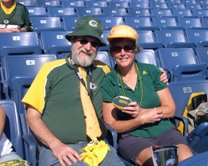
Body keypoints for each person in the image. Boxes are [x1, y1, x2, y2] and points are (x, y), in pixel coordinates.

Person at [22, 16, 126, 166]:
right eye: (83, 40)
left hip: (98, 147)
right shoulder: (51, 70)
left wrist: (156, 75)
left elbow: (129, 80)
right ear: (72, 40)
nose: (88, 47)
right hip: (59, 149)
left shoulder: (103, 70)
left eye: (94, 43)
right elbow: (32, 116)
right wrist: (56, 145)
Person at [102, 25, 193, 166]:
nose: (122, 53)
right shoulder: (108, 81)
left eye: (128, 47)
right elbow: (111, 124)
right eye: (116, 48)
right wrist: (140, 120)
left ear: (135, 50)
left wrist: (144, 112)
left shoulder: (152, 72)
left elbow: (170, 109)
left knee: (187, 160)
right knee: (158, 162)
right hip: (133, 137)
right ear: (111, 53)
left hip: (165, 131)